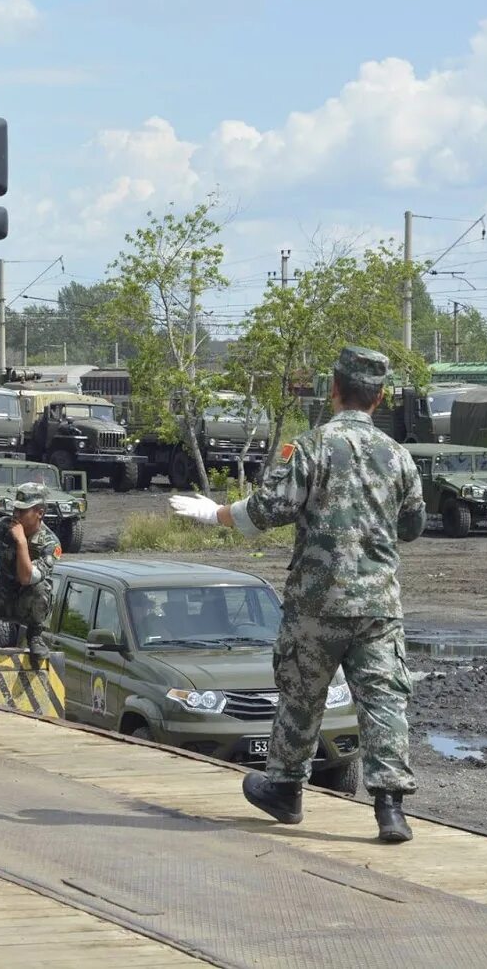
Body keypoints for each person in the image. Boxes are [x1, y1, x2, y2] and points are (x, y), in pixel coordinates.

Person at [169, 346, 426, 844]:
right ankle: (390, 809)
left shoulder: (311, 447)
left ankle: (285, 790)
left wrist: (211, 513)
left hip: (317, 602)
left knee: (301, 697)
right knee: (383, 701)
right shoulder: (398, 456)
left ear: (334, 390)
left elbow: (268, 510)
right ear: (379, 398)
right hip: (377, 606)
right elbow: (412, 525)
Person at [0, 482, 59, 664]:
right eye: (16, 509)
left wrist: (22, 542)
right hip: (1, 598)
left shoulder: (50, 544)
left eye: (23, 511)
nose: (16, 515)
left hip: (27, 606)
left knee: (41, 586)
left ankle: (35, 637)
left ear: (40, 513)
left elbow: (27, 578)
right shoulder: (3, 526)